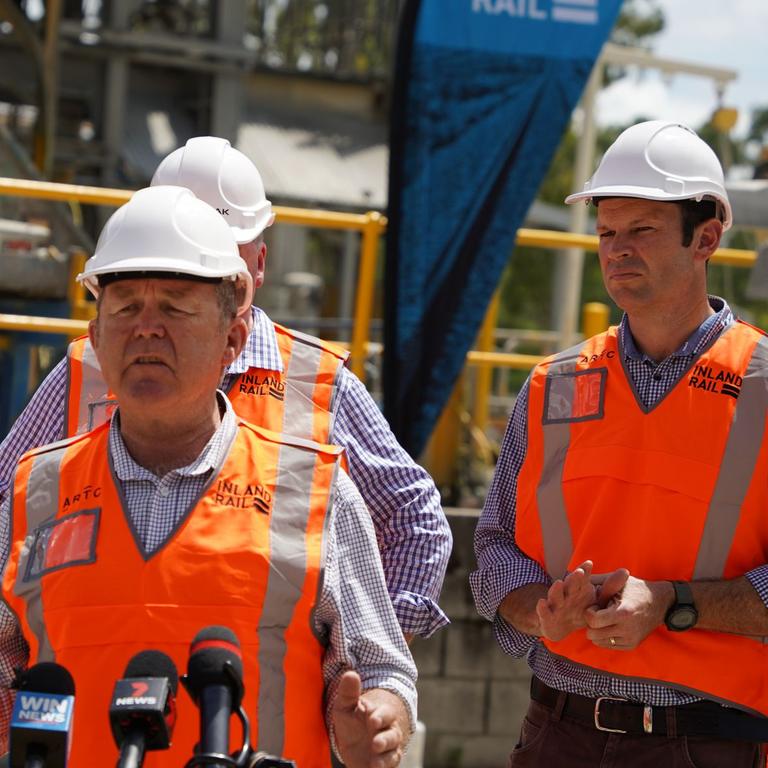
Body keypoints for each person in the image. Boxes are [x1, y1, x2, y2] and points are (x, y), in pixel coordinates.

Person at [0, 186, 416, 767]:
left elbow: (380, 668)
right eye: (124, 308)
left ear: (234, 340)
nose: (147, 328)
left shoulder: (314, 490)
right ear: (95, 340)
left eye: (174, 307)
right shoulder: (34, 491)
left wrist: (376, 719)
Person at [0, 137, 451, 643]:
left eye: (222, 246)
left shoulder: (314, 378)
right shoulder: (90, 364)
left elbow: (413, 519)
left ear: (260, 261)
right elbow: (8, 505)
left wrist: (357, 655)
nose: (200, 261)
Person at [471, 120, 768, 767]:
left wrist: (670, 605)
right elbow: (495, 546)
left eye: (642, 231)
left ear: (707, 238)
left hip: (710, 742)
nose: (617, 250)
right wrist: (538, 611)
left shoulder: (764, 386)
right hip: (557, 731)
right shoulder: (553, 385)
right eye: (607, 232)